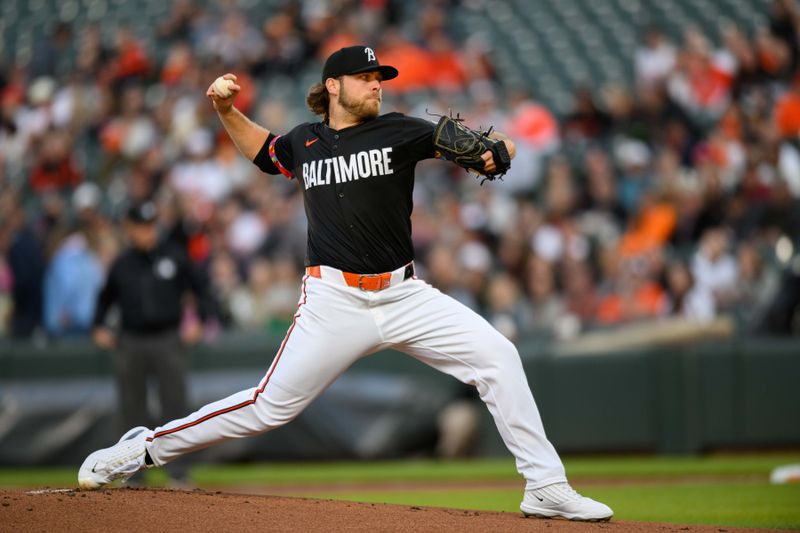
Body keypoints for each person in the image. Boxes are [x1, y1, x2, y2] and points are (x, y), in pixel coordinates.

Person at [79, 46, 613, 521]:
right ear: (333, 85)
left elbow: (488, 148)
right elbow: (264, 152)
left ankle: (546, 486)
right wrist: (224, 110)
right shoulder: (304, 141)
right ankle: (143, 449)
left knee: (500, 357)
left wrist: (501, 150)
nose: (377, 83)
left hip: (405, 294)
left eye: (380, 76)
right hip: (334, 299)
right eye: (366, 76)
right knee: (268, 407)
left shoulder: (400, 131)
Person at [90, 201, 211, 486]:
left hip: (167, 338)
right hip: (131, 340)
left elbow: (203, 289)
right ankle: (131, 475)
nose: (148, 232)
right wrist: (97, 326)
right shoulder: (122, 264)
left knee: (175, 407)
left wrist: (200, 320)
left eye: (151, 225)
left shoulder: (174, 256)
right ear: (130, 229)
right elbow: (104, 298)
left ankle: (178, 472)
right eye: (142, 227)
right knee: (132, 408)